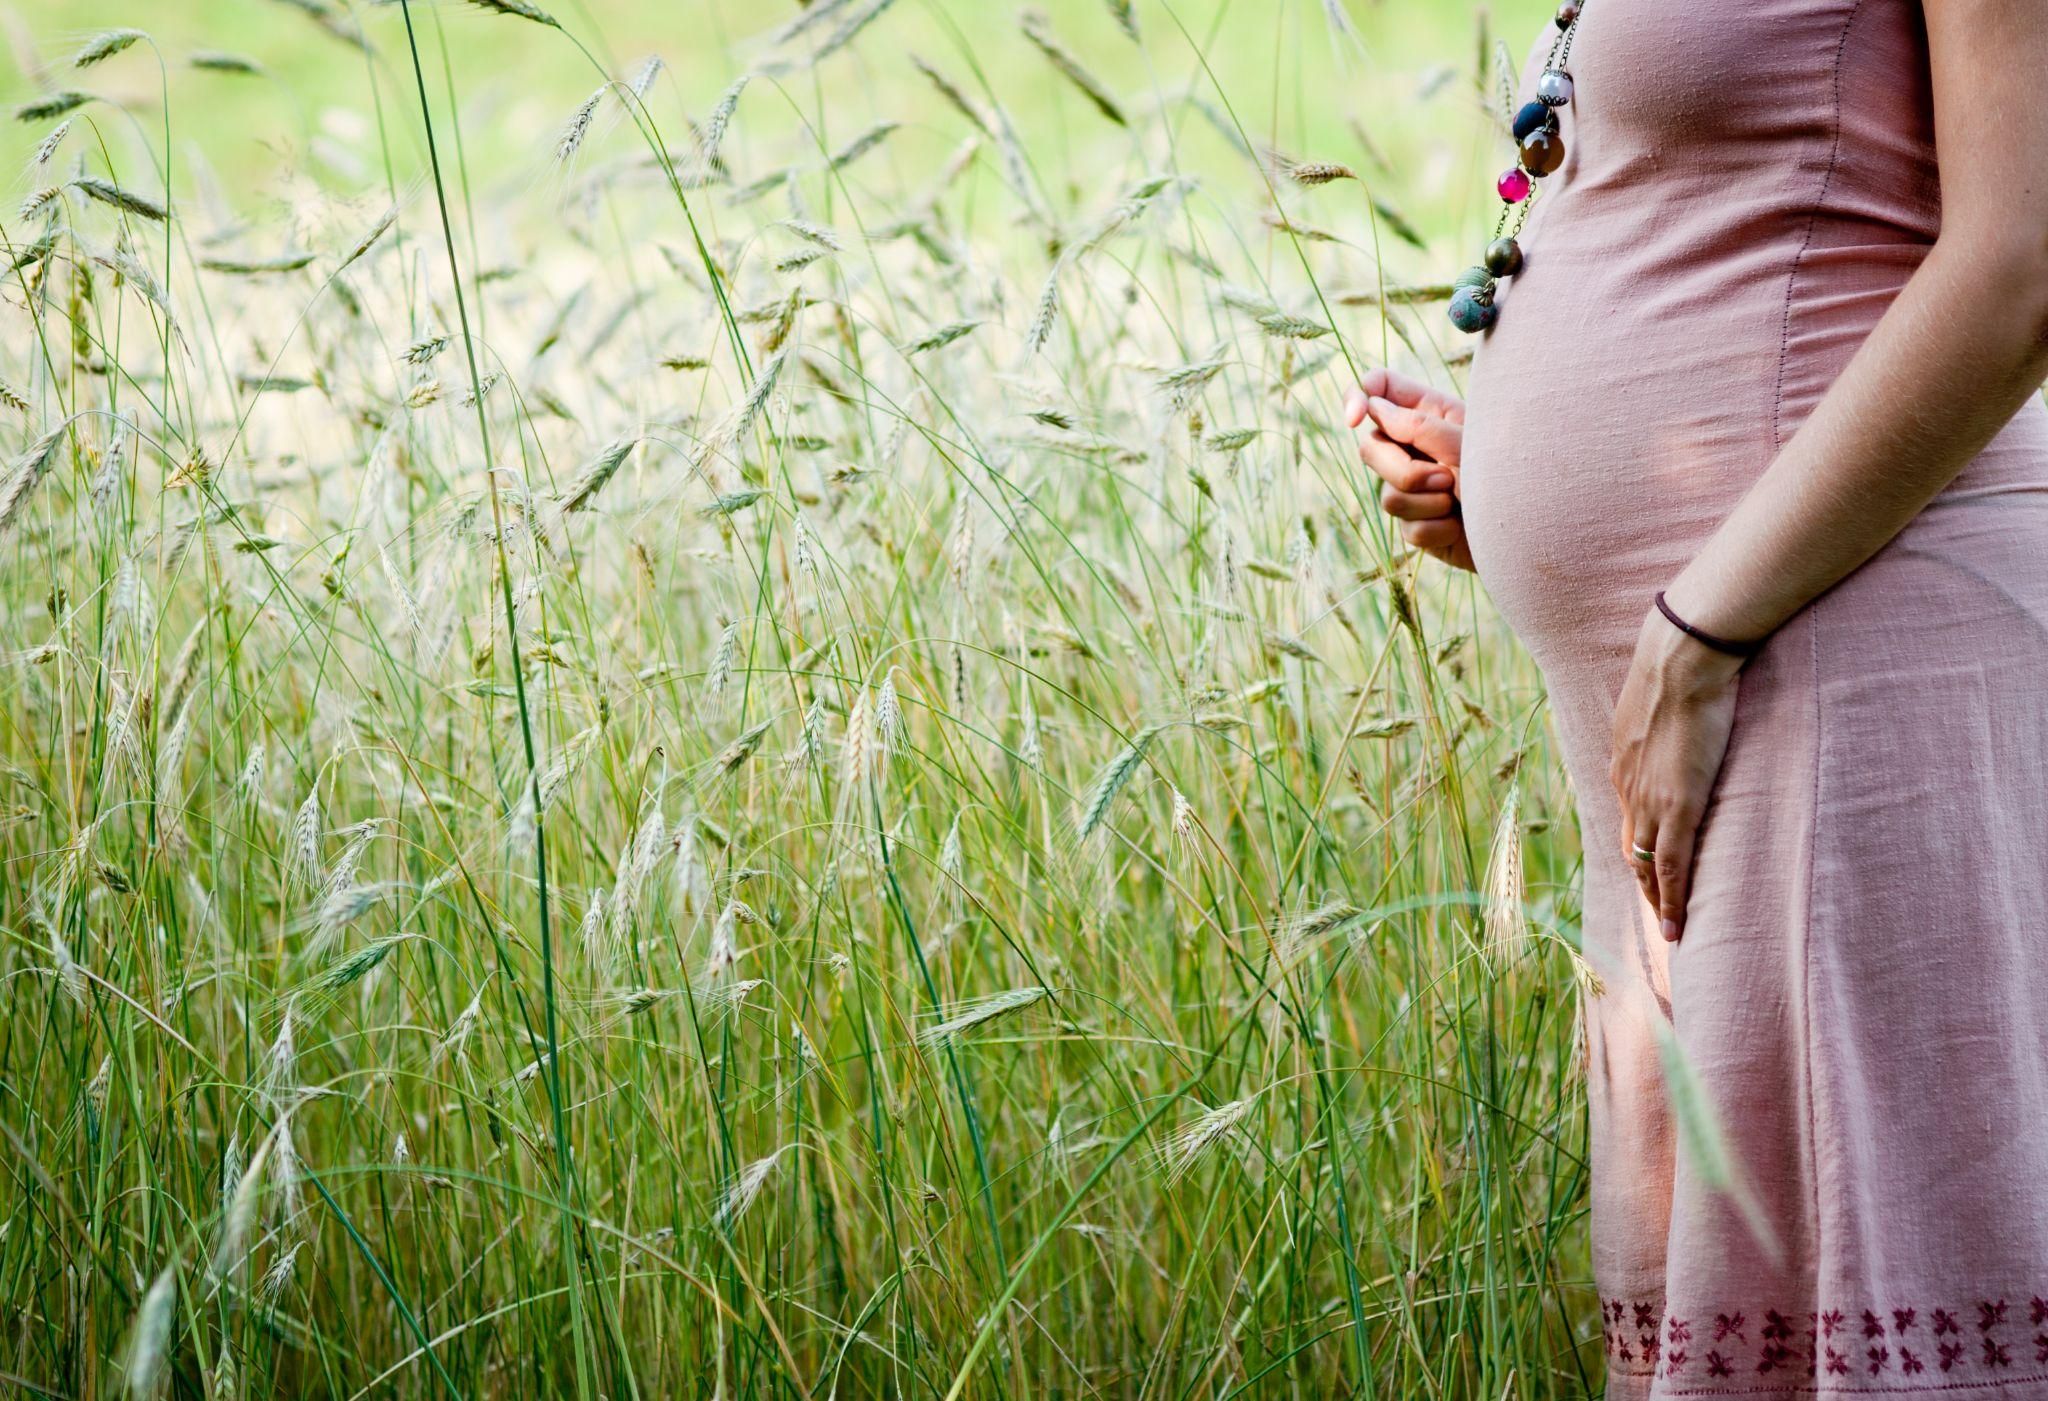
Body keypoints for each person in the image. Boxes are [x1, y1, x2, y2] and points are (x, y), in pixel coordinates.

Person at [1344, 1, 2048, 1394]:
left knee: (1882, 1286)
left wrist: (1701, 620)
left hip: (1838, 653)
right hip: (1710, 672)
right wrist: (1508, 482)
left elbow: (2023, 261)